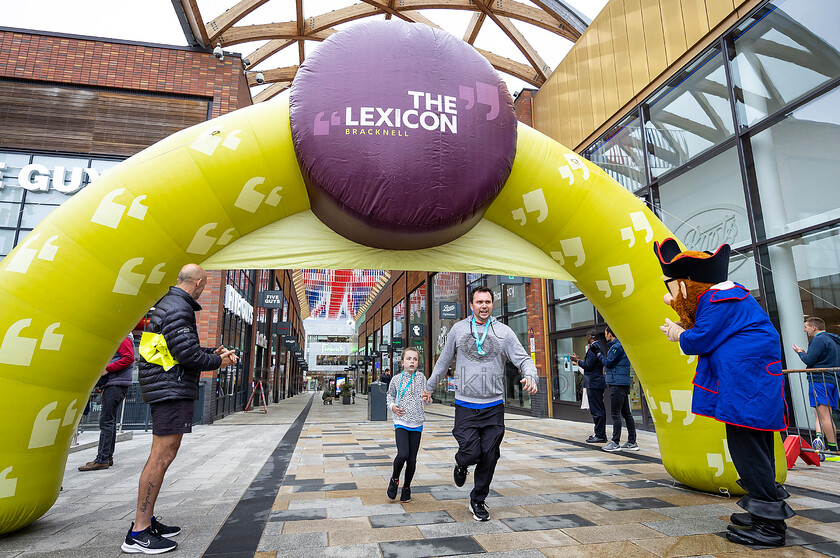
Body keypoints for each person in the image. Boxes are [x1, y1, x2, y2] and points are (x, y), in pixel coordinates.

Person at [655, 238, 793, 547]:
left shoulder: (718, 299)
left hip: (746, 385)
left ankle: (769, 525)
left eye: (675, 287)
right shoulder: (728, 297)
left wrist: (679, 333)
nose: (674, 295)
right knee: (755, 447)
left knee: (747, 449)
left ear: (688, 283)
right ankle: (762, 510)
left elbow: (700, 340)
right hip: (749, 384)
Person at [122, 264, 237, 554]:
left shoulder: (170, 304)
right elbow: (186, 354)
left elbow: (177, 348)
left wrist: (211, 352)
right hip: (170, 390)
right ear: (198, 282)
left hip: (167, 386)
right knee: (161, 457)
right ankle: (139, 531)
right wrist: (219, 362)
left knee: (162, 456)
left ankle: (146, 522)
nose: (204, 288)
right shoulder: (179, 308)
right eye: (205, 284)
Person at [421, 286, 538, 522]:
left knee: (490, 455)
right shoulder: (458, 329)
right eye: (479, 302)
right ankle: (461, 463)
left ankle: (478, 499)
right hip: (465, 404)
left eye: (487, 302)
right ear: (471, 305)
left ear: (491, 305)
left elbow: (523, 358)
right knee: (472, 451)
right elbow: (443, 363)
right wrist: (429, 388)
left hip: (494, 406)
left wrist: (531, 375)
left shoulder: (503, 332)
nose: (484, 306)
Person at [79, 334, 135, 471]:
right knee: (109, 421)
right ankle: (107, 457)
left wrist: (108, 369)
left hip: (115, 384)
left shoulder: (123, 337)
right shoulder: (124, 337)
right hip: (116, 384)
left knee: (106, 421)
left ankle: (102, 459)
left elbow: (129, 358)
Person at [793, 316, 840, 459]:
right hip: (832, 379)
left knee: (823, 415)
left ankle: (832, 450)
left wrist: (800, 352)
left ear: (814, 328)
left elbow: (808, 360)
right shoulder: (834, 340)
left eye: (806, 327)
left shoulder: (818, 340)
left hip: (819, 380)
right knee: (822, 414)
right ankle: (820, 440)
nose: (804, 329)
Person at [386, 348, 425, 503]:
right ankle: (395, 478)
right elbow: (390, 395)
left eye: (415, 359)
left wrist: (426, 400)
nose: (412, 362)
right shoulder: (396, 379)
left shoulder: (421, 377)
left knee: (412, 459)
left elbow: (426, 395)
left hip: (417, 422)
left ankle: (407, 487)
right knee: (403, 454)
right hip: (401, 421)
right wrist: (392, 406)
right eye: (409, 359)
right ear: (402, 362)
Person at [598, 326, 637, 452]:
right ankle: (632, 441)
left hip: (617, 384)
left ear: (610, 334)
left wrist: (599, 355)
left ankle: (615, 442)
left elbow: (609, 363)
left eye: (605, 333)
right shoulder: (619, 345)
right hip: (621, 383)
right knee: (626, 413)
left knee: (616, 414)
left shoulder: (617, 347)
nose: (605, 336)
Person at [571, 329, 607, 444]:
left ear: (591, 336)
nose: (586, 337)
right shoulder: (596, 347)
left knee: (597, 410)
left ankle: (600, 435)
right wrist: (580, 360)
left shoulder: (593, 347)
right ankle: (599, 433)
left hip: (594, 383)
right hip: (595, 382)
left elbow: (588, 366)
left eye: (587, 335)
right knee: (598, 409)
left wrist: (578, 361)